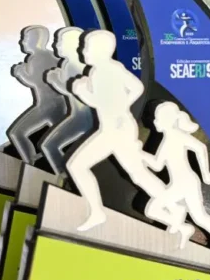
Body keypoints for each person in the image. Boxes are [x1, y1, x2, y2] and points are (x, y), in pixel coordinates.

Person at [66, 30, 182, 231]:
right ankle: (174, 207)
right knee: (137, 173)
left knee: (78, 166)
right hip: (118, 128)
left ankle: (97, 212)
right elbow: (137, 88)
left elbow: (100, 102)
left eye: (86, 47)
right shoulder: (110, 68)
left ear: (101, 51)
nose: (82, 50)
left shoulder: (103, 71)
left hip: (116, 131)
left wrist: (81, 90)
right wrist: (123, 107)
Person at [142, 102, 210, 258]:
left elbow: (200, 148)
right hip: (180, 183)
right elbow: (157, 165)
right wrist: (141, 155)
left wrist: (206, 173)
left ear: (169, 120)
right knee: (195, 216)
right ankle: (181, 235)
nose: (155, 122)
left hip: (186, 183)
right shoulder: (167, 139)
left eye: (158, 118)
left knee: (156, 209)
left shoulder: (178, 136)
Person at [7, 26, 68, 163]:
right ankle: (59, 164)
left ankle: (31, 162)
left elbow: (35, 81)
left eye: (26, 39)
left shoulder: (36, 58)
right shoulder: (52, 56)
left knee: (17, 133)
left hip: (46, 106)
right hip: (59, 103)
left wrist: (20, 73)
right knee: (59, 138)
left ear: (36, 41)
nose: (22, 42)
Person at [39, 27, 94, 175]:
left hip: (83, 117)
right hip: (79, 115)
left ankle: (65, 177)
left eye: (60, 42)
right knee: (52, 146)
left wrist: (54, 79)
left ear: (71, 44)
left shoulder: (73, 65)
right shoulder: (69, 64)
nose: (56, 45)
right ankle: (67, 176)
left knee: (50, 145)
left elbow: (69, 89)